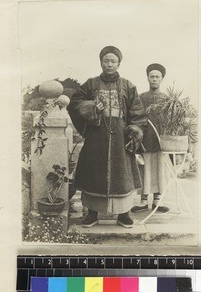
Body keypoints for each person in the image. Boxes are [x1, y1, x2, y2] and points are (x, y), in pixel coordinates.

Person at [68, 46, 146, 228]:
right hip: (96, 137)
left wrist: (135, 128)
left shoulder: (128, 85)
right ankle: (92, 214)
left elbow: (137, 111)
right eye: (106, 60)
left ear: (119, 63)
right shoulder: (91, 84)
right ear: (101, 62)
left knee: (122, 174)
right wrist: (90, 107)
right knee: (94, 173)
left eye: (113, 61)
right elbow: (75, 103)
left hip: (121, 138)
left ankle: (124, 214)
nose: (109, 64)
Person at [132, 63, 170, 213]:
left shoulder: (167, 100)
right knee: (145, 170)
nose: (154, 79)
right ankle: (142, 201)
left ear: (162, 79)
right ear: (147, 78)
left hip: (161, 141)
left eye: (157, 77)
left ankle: (157, 201)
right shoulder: (141, 97)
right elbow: (136, 118)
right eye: (151, 76)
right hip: (145, 139)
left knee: (160, 169)